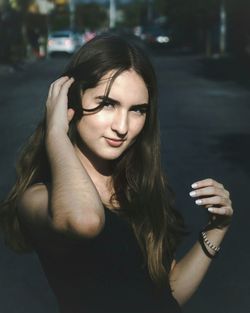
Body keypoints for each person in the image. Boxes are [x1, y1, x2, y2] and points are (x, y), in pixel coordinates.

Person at [0, 34, 233, 313]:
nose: (122, 127)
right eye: (108, 104)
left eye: (137, 110)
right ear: (70, 103)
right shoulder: (39, 198)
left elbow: (166, 295)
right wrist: (55, 133)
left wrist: (217, 230)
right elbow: (84, 220)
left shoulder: (136, 188)